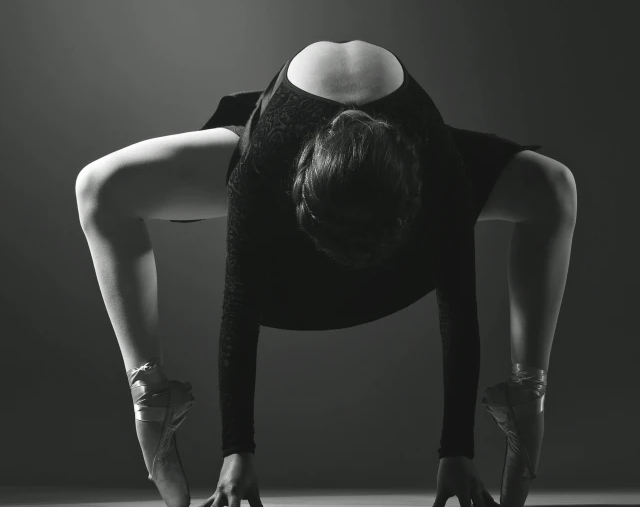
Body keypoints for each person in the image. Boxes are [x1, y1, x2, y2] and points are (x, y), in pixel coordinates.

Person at [75, 40, 577, 507]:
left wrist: (457, 452)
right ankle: (150, 392)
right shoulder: (263, 166)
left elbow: (457, 302)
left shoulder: (440, 170)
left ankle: (526, 393)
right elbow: (239, 304)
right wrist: (237, 452)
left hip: (404, 149)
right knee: (99, 187)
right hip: (287, 141)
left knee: (554, 186)